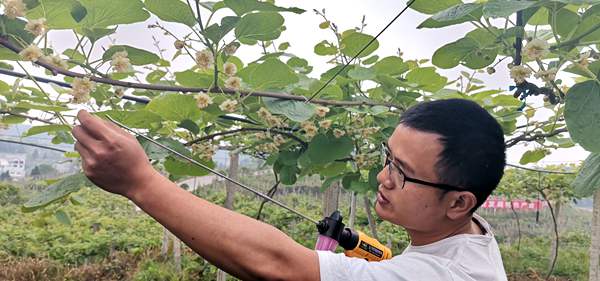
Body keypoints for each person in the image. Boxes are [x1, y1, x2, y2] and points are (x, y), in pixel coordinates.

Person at [72, 98, 507, 281]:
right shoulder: (471, 240)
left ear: (458, 202)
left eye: (403, 172)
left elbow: (278, 265)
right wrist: (355, 245)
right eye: (387, 157)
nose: (382, 177)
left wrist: (140, 182)